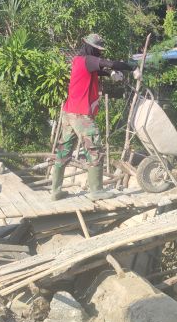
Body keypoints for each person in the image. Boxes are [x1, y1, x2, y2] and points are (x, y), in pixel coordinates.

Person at [51, 33, 136, 201]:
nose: (100, 54)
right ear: (92, 48)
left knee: (64, 150)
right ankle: (96, 191)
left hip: (69, 113)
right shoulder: (88, 59)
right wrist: (132, 67)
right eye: (98, 50)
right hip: (80, 115)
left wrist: (110, 75)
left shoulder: (78, 60)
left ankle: (56, 190)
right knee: (94, 149)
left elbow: (96, 72)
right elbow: (110, 64)